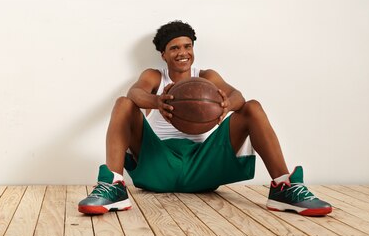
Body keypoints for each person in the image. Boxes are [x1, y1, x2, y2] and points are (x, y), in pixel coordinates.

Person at [78, 20, 332, 216]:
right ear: (163, 54)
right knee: (124, 102)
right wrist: (157, 102)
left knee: (252, 107)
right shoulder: (156, 76)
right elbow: (135, 92)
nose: (182, 53)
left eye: (187, 46)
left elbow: (238, 96)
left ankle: (283, 187)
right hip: (158, 164)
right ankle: (113, 185)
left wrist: (225, 105)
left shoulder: (207, 76)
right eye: (174, 48)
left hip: (203, 166)